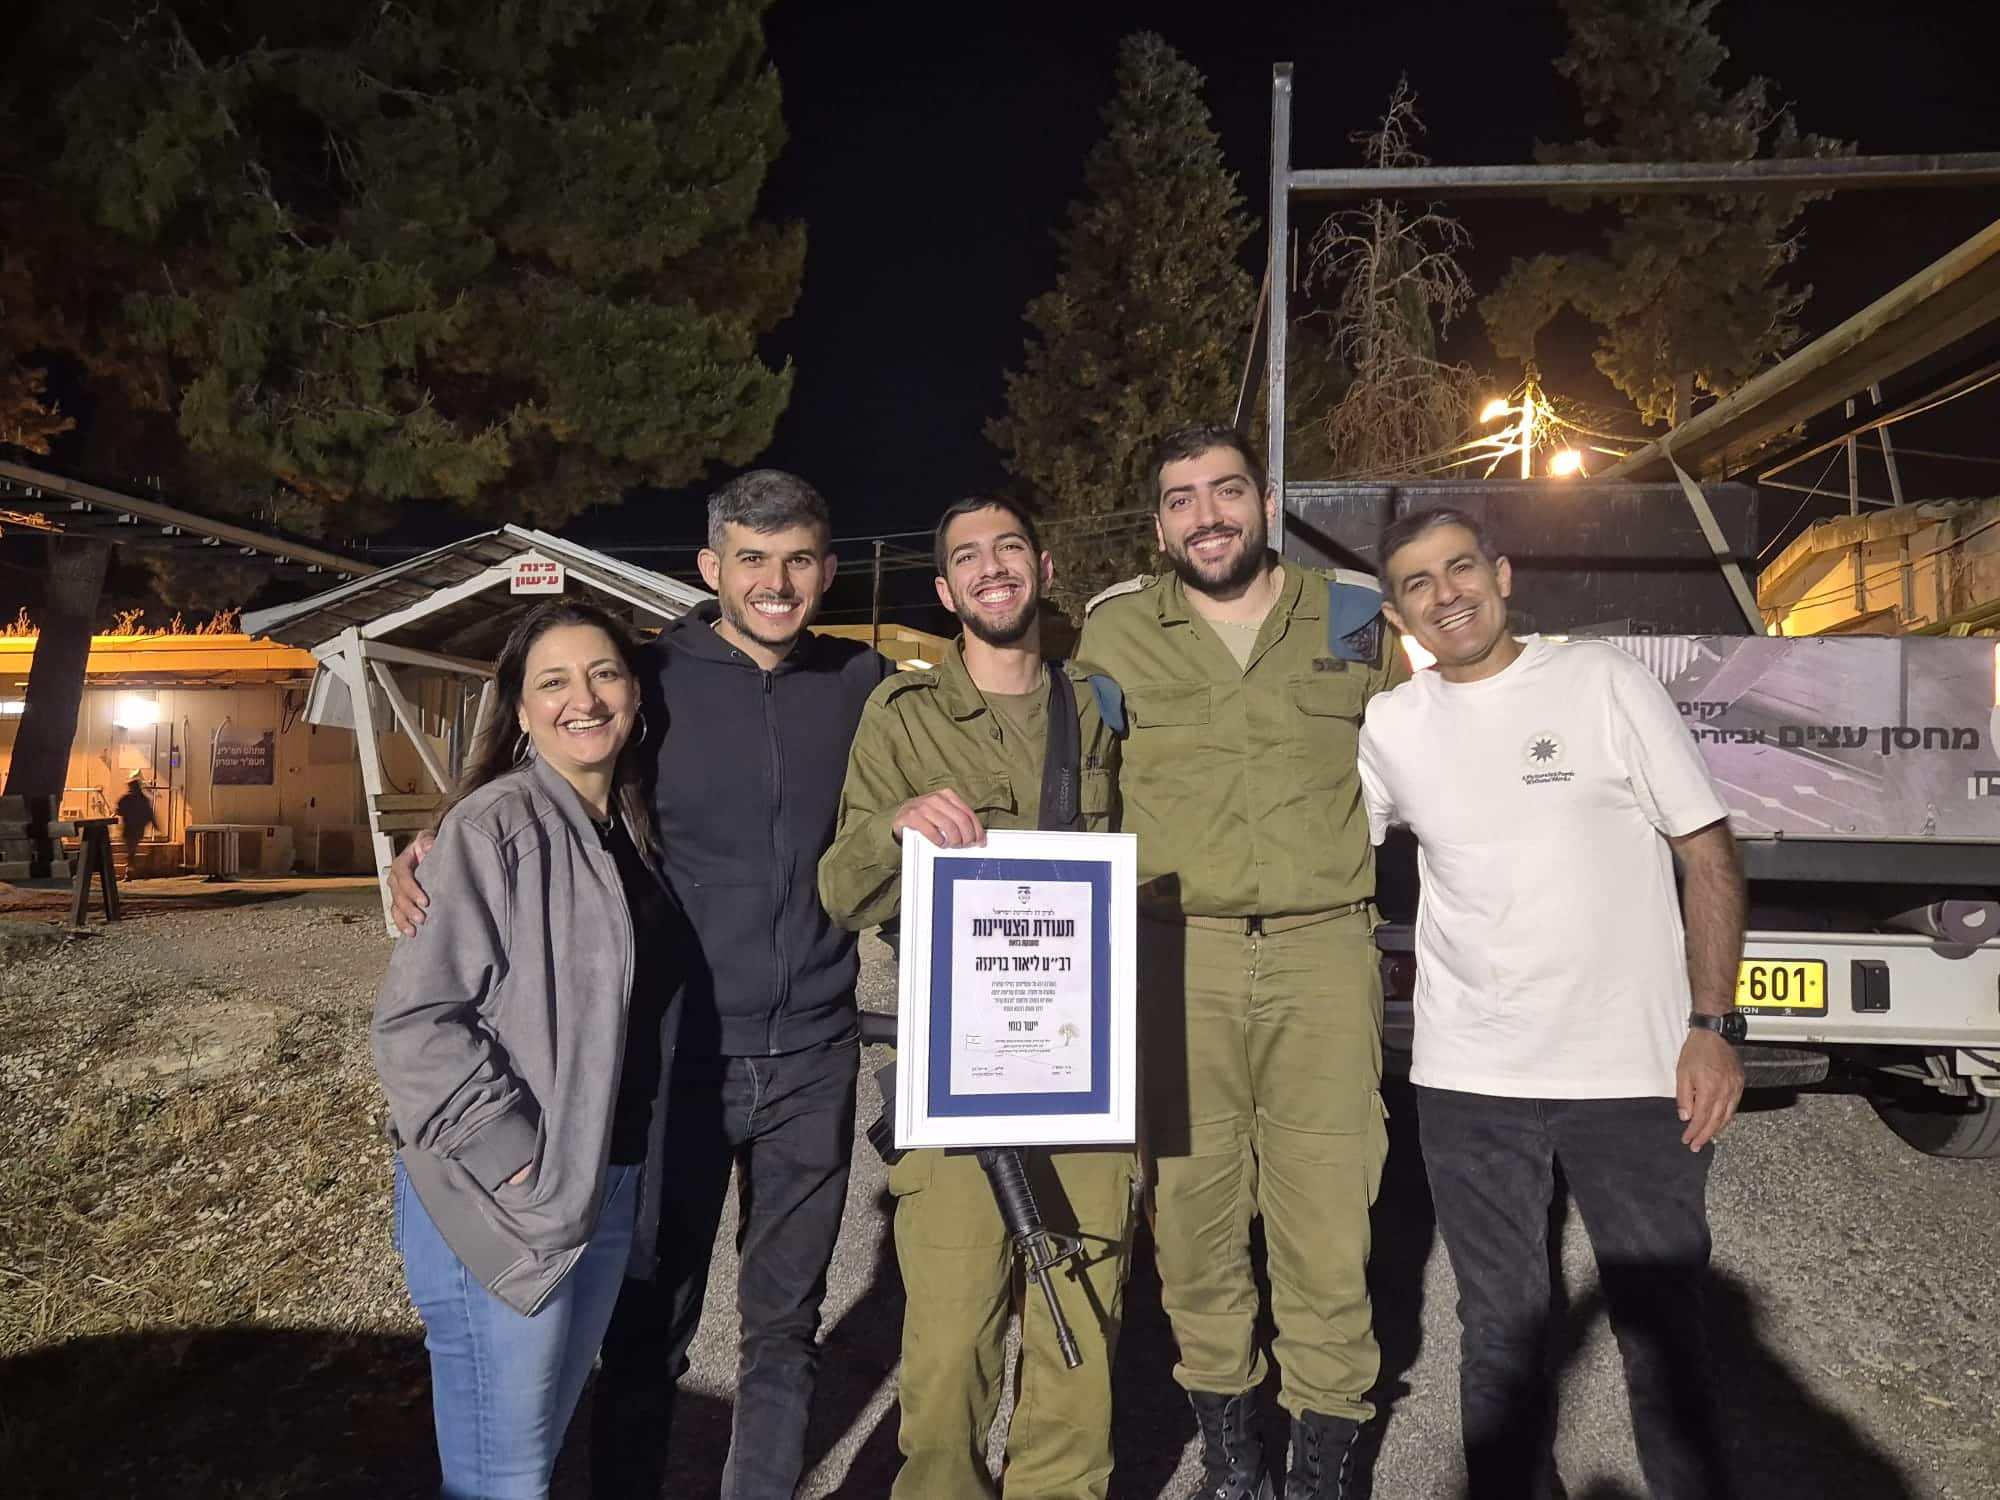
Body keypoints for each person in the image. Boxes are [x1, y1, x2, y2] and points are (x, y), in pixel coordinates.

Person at [388, 470, 892, 1500]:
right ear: (710, 568)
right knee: (646, 1326)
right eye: (751, 559)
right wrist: (435, 838)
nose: (775, 582)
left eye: (798, 560)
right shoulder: (649, 677)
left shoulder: (863, 683)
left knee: (784, 1327)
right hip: (675, 1064)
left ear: (828, 569)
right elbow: (554, 748)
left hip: (813, 1057)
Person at [1357, 506, 1746, 1500]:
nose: (1444, 594)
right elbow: (1309, 841)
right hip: (1468, 1079)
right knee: (1498, 1330)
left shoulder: (1601, 681)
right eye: (1416, 583)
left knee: (1662, 1334)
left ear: (1501, 573)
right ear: (1398, 613)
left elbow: (1706, 854)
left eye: (1459, 569)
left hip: (1630, 1074)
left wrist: (1712, 1028)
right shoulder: (1391, 726)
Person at [1075, 425, 1406, 1500]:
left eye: (1226, 491)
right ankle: (1230, 1449)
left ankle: (1322, 1456)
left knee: (1329, 1215)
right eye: (1182, 499)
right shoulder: (1116, 633)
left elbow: (1442, 739)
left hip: (1323, 950)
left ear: (1264, 504)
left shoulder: (1354, 618)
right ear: (1158, 525)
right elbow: (1063, 775)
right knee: (1190, 1213)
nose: (1206, 515)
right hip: (1177, 956)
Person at [818, 495, 1137, 1500]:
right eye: (968, 557)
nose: (991, 567)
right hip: (951, 1068)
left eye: (1009, 549)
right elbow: (842, 890)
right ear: (946, 591)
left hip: (1082, 1068)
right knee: (951, 1337)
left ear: (1043, 569)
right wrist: (896, 827)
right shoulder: (901, 716)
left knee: (1080, 1323)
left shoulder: (1100, 707)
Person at [373, 599, 695, 1500]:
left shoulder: (624, 825)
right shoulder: (496, 827)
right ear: (519, 708)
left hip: (600, 1184)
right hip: (507, 1196)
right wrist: (516, 1160)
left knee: (530, 1459)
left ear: (635, 693)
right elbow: (416, 1023)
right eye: (553, 682)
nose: (582, 700)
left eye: (604, 674)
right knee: (503, 1482)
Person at [115, 771, 155, 870]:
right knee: (132, 845)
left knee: (130, 845)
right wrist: (155, 824)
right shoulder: (143, 799)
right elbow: (149, 813)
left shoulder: (126, 798)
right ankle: (130, 864)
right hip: (138, 827)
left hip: (129, 827)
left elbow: (119, 810)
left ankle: (130, 864)